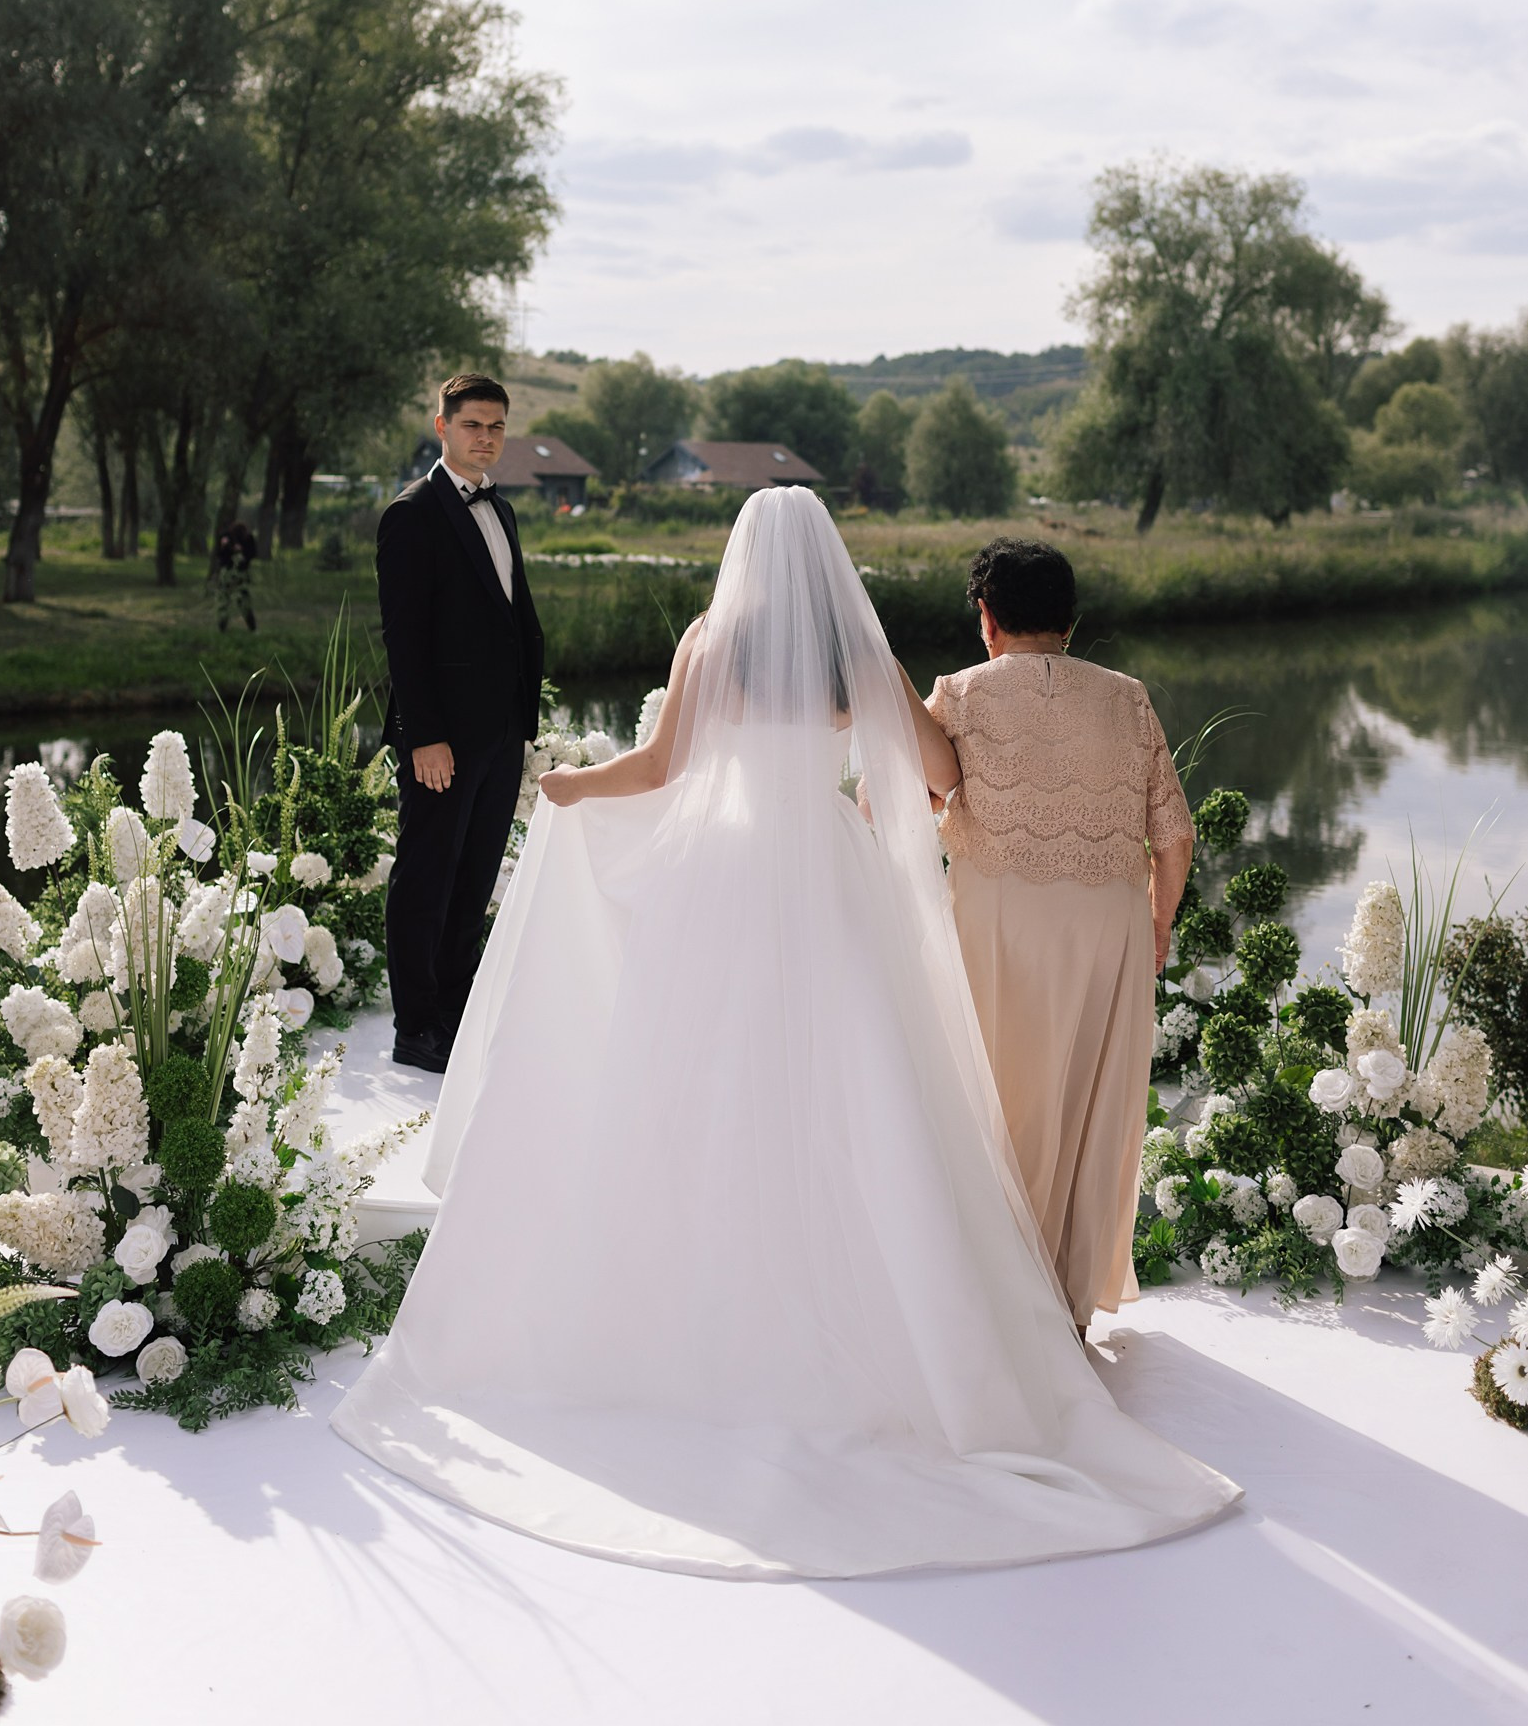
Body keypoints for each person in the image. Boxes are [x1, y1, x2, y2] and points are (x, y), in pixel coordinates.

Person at [333, 488, 1235, 1576]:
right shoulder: (857, 651)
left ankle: (698, 1308)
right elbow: (939, 771)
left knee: (700, 1083)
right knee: (861, 1093)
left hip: (720, 876)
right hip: (828, 875)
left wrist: (566, 788)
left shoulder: (710, 639)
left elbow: (659, 772)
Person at [925, 537, 1194, 1334]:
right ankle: (1067, 1307)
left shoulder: (959, 694)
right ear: (1070, 622)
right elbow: (1172, 835)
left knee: (995, 1098)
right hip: (1106, 921)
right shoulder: (1126, 696)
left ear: (986, 618)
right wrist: (1155, 925)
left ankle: (989, 1295)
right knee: (1088, 1101)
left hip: (996, 921)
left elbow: (888, 799)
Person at [375, 372, 544, 1075]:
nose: (487, 437)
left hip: (501, 731)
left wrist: (521, 723)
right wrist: (425, 737)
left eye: (497, 426)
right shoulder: (411, 514)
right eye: (473, 424)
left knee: (473, 877)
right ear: (441, 426)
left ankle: (455, 1008)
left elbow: (508, 620)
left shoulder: (500, 512)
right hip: (442, 738)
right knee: (426, 878)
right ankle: (416, 1027)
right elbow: (405, 639)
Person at [213, 519, 257, 632]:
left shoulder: (248, 539)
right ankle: (222, 628)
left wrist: (241, 551)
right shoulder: (226, 537)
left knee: (242, 601)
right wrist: (225, 547)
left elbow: (251, 554)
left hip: (241, 573)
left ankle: (252, 628)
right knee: (225, 601)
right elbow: (220, 555)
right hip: (228, 573)